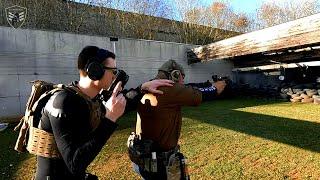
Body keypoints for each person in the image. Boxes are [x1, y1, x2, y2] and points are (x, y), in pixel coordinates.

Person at [33, 46, 174, 179]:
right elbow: (74, 164)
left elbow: (123, 102)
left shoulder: (87, 99)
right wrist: (110, 118)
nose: (114, 76)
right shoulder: (63, 102)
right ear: (95, 70)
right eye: (112, 71)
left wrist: (142, 88)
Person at [131, 59, 226, 180]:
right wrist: (217, 86)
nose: (183, 80)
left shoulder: (149, 86)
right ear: (175, 74)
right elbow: (204, 94)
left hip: (146, 159)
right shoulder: (167, 89)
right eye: (182, 76)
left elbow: (188, 87)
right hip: (161, 164)